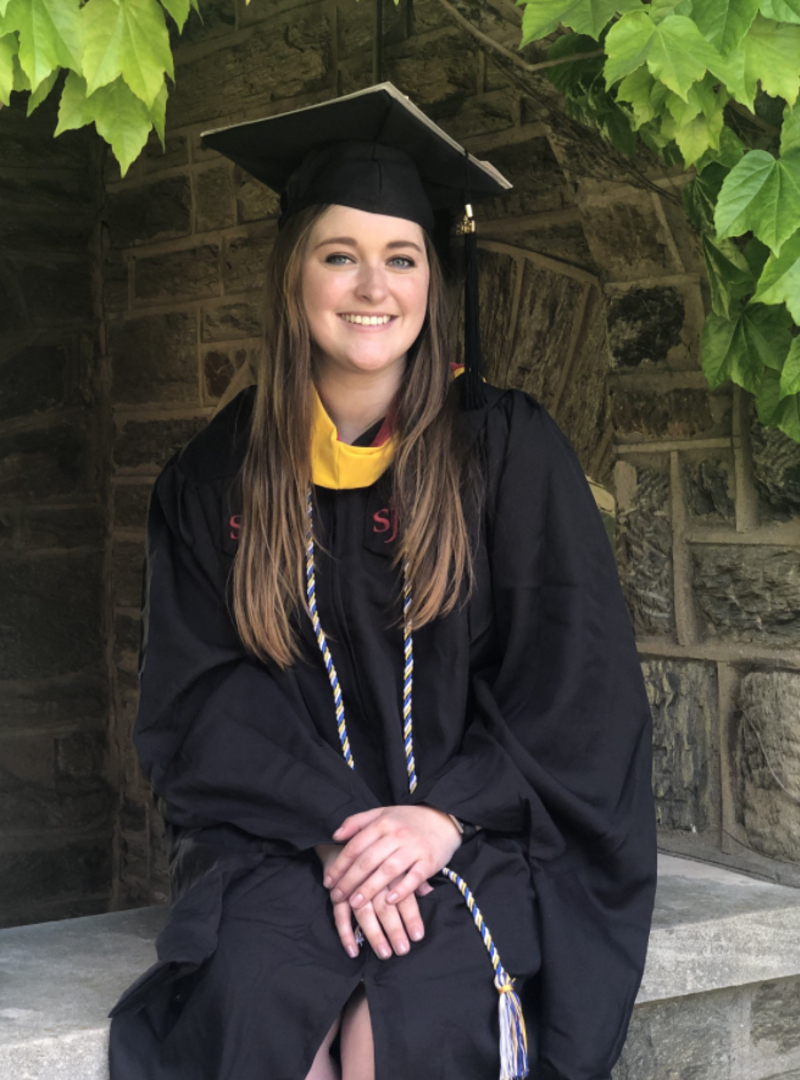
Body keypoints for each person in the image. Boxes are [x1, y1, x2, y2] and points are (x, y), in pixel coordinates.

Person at [109, 84, 657, 1080]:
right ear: (293, 277)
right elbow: (200, 698)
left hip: (469, 832)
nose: (372, 287)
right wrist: (334, 829)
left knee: (412, 1012)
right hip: (281, 839)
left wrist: (438, 818)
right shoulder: (213, 479)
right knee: (262, 997)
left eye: (399, 257)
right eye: (338, 256)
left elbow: (575, 684)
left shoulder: (505, 452)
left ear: (430, 282)